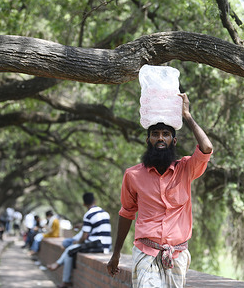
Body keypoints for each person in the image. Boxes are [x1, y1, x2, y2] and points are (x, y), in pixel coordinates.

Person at [106, 93, 213, 287]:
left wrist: (187, 115)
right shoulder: (133, 175)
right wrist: (116, 254)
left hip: (177, 256)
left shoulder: (186, 168)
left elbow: (206, 147)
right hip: (146, 252)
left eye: (166, 134)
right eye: (155, 134)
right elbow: (126, 213)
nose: (160, 138)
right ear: (148, 140)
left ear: (174, 140)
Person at [47, 192, 112, 288]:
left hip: (97, 245)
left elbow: (84, 236)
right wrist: (82, 226)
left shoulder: (88, 215)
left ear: (84, 204)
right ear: (95, 201)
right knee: (71, 248)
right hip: (107, 245)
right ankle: (60, 269)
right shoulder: (104, 213)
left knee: (70, 250)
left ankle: (64, 278)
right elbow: (96, 225)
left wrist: (77, 243)